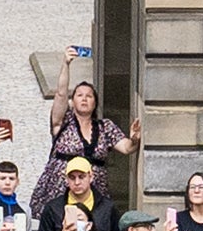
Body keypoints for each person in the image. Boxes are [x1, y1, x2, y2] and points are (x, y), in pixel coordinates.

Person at [30, 49, 138, 218]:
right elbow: (61, 94)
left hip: (93, 191)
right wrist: (65, 64)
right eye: (79, 95)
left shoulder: (105, 127)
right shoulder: (63, 122)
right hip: (61, 189)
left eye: (89, 96)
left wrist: (135, 138)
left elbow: (126, 148)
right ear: (73, 102)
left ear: (95, 103)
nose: (84, 98)